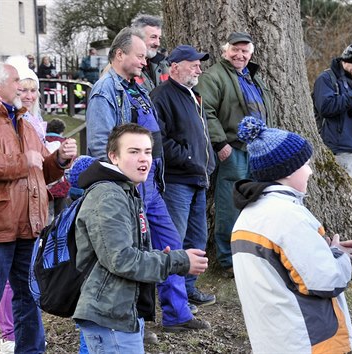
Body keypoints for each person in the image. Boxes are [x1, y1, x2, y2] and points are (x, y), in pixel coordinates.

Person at [86, 27, 210, 337]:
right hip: (128, 187)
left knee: (170, 243)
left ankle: (176, 313)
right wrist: (122, 185)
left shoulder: (139, 87)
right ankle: (133, 321)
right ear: (120, 55)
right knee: (132, 252)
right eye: (140, 55)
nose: (146, 60)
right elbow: (101, 144)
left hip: (151, 186)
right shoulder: (105, 91)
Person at [0, 61, 77, 353]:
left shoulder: (23, 121)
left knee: (30, 295)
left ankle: (32, 350)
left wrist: (58, 160)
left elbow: (39, 173)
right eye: (16, 82)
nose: (22, 89)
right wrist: (23, 162)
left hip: (28, 225)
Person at [74, 123, 210, 353]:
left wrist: (159, 257)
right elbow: (122, 260)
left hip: (120, 311)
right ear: (113, 156)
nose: (143, 159)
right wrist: (178, 261)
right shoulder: (109, 196)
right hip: (110, 316)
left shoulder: (126, 190)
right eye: (134, 152)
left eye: (147, 152)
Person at [231, 116, 352, 353]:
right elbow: (325, 280)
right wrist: (339, 257)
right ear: (288, 171)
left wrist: (328, 252)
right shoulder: (288, 217)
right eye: (306, 164)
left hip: (273, 340)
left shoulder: (247, 216)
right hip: (309, 340)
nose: (310, 171)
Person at [196, 31, 274, 275]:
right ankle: (229, 261)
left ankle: (251, 254)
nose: (240, 55)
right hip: (234, 150)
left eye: (245, 51)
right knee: (230, 206)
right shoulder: (214, 77)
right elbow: (204, 111)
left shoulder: (252, 77)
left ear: (251, 54)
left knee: (257, 204)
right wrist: (220, 143)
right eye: (235, 50)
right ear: (225, 51)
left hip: (258, 151)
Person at [151, 45, 217, 308]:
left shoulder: (193, 95)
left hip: (198, 180)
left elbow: (202, 136)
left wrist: (206, 163)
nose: (199, 68)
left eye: (200, 64)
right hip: (177, 181)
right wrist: (191, 159)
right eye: (194, 64)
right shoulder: (162, 96)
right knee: (174, 241)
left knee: (196, 239)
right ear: (175, 66)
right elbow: (159, 141)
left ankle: (188, 290)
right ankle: (173, 298)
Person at [0, 55, 49, 353]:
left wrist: (59, 160)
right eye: (22, 88)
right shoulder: (5, 122)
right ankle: (8, 335)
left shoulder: (31, 123)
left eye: (32, 89)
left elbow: (43, 168)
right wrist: (24, 161)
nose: (28, 95)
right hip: (9, 210)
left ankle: (29, 338)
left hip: (34, 208)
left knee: (27, 277)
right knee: (7, 280)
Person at [313, 42, 352, 203]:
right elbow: (326, 108)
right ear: (345, 60)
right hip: (340, 150)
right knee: (342, 201)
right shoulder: (326, 79)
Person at [131, 14, 169, 92]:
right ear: (137, 37)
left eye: (159, 38)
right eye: (153, 37)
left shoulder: (164, 64)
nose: (157, 43)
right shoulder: (124, 67)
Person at [45, 118, 71, 217]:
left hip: (46, 187)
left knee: (47, 215)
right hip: (62, 187)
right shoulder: (65, 142)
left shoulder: (41, 139)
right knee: (60, 215)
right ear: (62, 130)